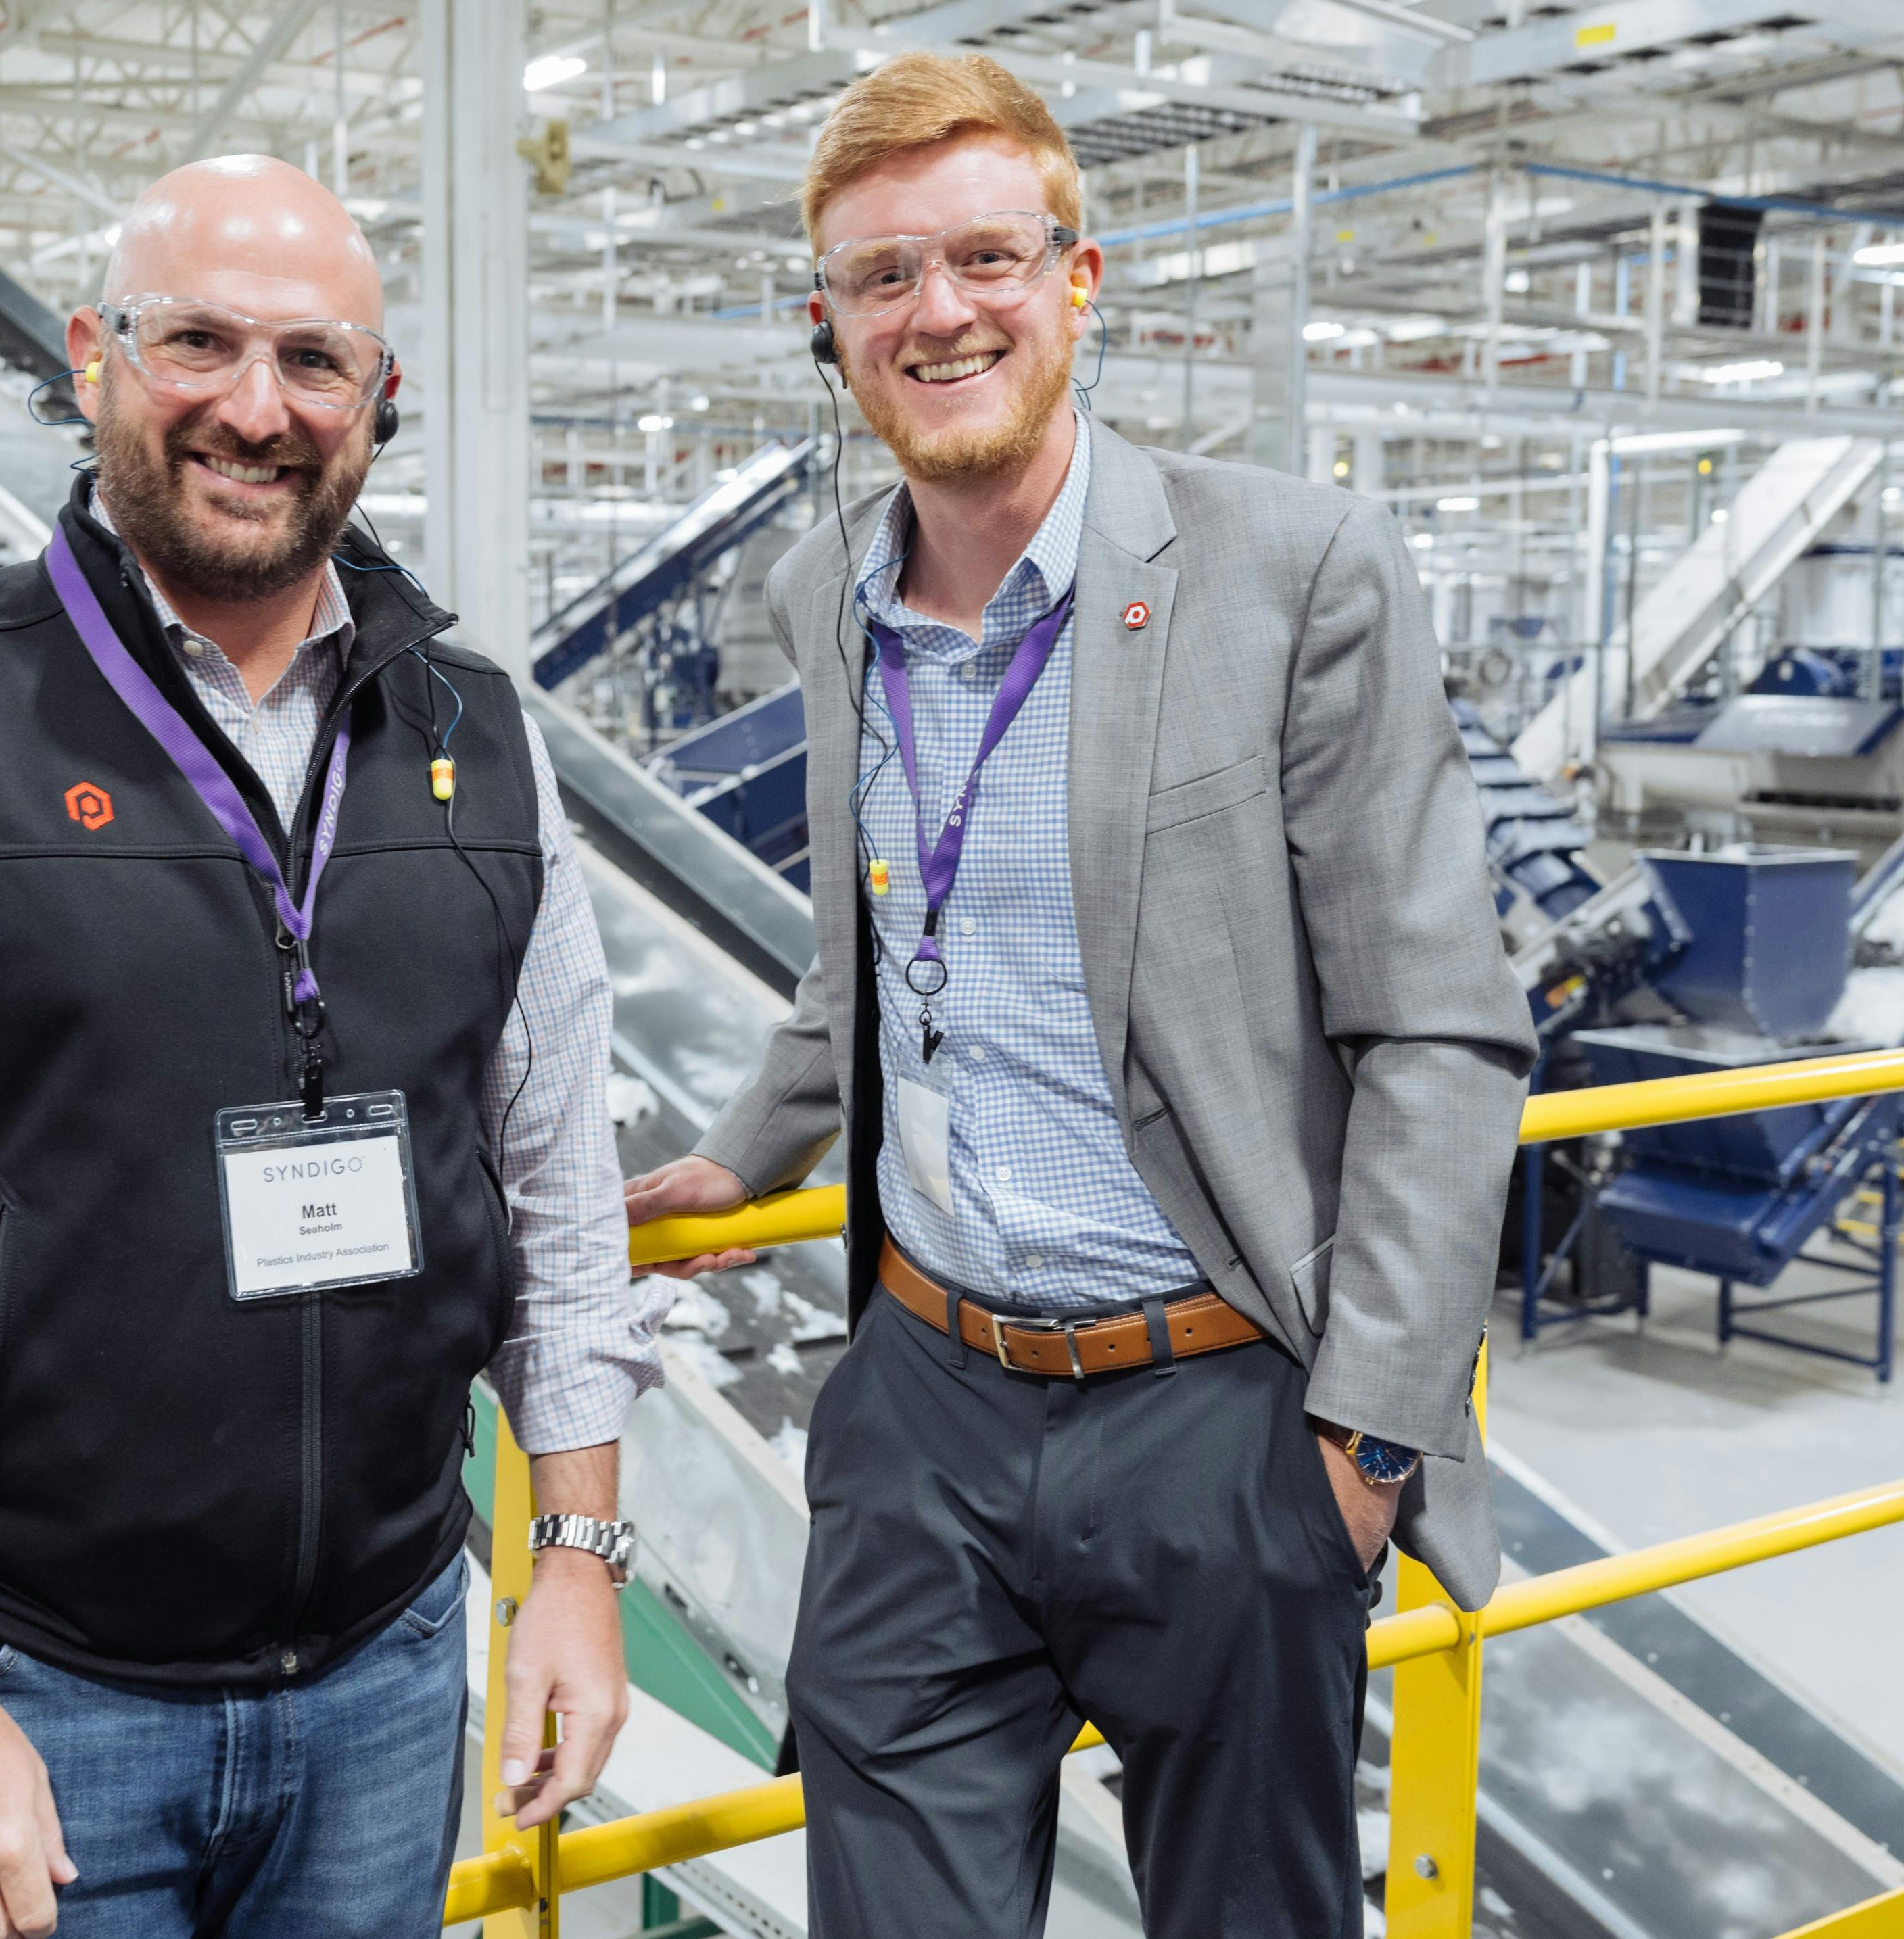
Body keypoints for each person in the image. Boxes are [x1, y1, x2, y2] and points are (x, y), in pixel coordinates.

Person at [0, 155, 652, 1939]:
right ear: (94, 357)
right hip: (37, 1699)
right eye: (197, 343)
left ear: (377, 404)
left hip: (390, 1670)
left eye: (312, 361)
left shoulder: (481, 744)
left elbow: (560, 1184)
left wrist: (572, 1558)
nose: (254, 410)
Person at [620, 52, 1536, 1938]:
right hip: (923, 1409)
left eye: (983, 259)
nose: (937, 312)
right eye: (882, 278)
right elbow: (870, 947)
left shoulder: (1291, 571)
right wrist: (739, 1155)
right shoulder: (825, 595)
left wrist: (1362, 1441)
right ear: (831, 324)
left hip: (1215, 1411)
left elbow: (1436, 1031)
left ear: (1078, 277)